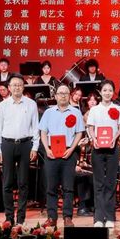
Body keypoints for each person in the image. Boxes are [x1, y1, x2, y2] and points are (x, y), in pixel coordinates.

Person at [0, 75, 40, 225]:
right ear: (9, 88)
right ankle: (9, 217)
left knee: (23, 183)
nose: (17, 87)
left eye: (19, 85)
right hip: (7, 144)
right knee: (7, 183)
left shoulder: (31, 104)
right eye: (14, 85)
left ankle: (21, 219)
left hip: (25, 144)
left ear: (23, 87)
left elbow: (35, 127)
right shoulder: (3, 105)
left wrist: (35, 147)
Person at [39, 84, 84, 227]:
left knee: (68, 187)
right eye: (60, 93)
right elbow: (43, 132)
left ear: (69, 95)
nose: (63, 95)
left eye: (65, 93)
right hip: (51, 152)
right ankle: (52, 217)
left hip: (69, 152)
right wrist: (47, 149)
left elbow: (79, 133)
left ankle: (67, 217)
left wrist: (72, 149)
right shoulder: (48, 112)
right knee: (51, 187)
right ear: (56, 96)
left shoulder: (76, 112)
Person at [86, 80, 120, 228]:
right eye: (105, 90)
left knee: (110, 183)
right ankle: (98, 218)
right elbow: (90, 127)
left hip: (113, 148)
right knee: (98, 183)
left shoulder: (118, 108)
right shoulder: (94, 109)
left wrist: (115, 137)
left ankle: (109, 217)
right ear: (100, 92)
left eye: (110, 90)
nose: (107, 93)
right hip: (97, 148)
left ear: (113, 92)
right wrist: (93, 139)